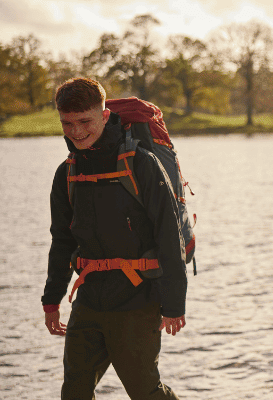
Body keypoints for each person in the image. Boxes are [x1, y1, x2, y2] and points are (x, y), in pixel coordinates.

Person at [42, 77, 187, 399]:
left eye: (85, 122)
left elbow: (169, 235)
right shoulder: (67, 172)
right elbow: (62, 240)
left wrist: (174, 303)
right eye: (67, 123)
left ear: (105, 116)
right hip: (89, 300)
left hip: (138, 299)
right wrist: (51, 299)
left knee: (144, 391)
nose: (76, 131)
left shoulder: (141, 164)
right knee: (74, 391)